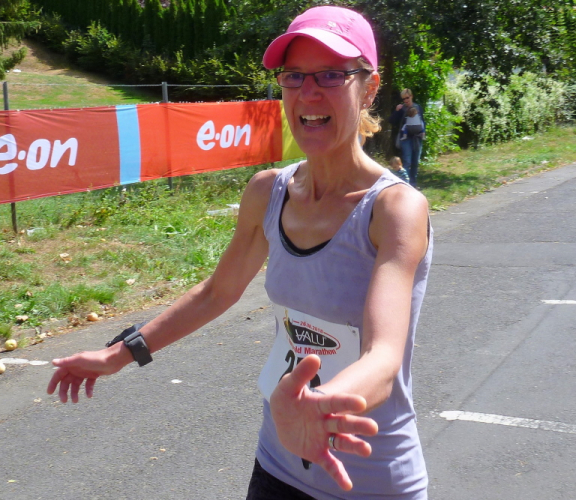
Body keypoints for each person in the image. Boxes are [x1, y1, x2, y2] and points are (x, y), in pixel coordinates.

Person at [47, 5, 432, 500]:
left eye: (331, 75)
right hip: (278, 463)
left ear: (370, 87)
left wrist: (319, 405)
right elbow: (216, 293)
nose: (309, 92)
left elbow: (384, 355)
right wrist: (118, 354)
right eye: (294, 76)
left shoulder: (395, 209)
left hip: (369, 479)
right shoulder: (268, 192)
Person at [389, 89, 425, 187]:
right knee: (407, 161)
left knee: (415, 161)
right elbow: (391, 121)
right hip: (405, 139)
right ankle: (406, 184)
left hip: (417, 138)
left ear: (411, 96)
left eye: (407, 98)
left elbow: (422, 121)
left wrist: (423, 133)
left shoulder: (418, 107)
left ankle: (413, 183)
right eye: (403, 99)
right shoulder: (401, 109)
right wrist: (396, 111)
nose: (405, 100)